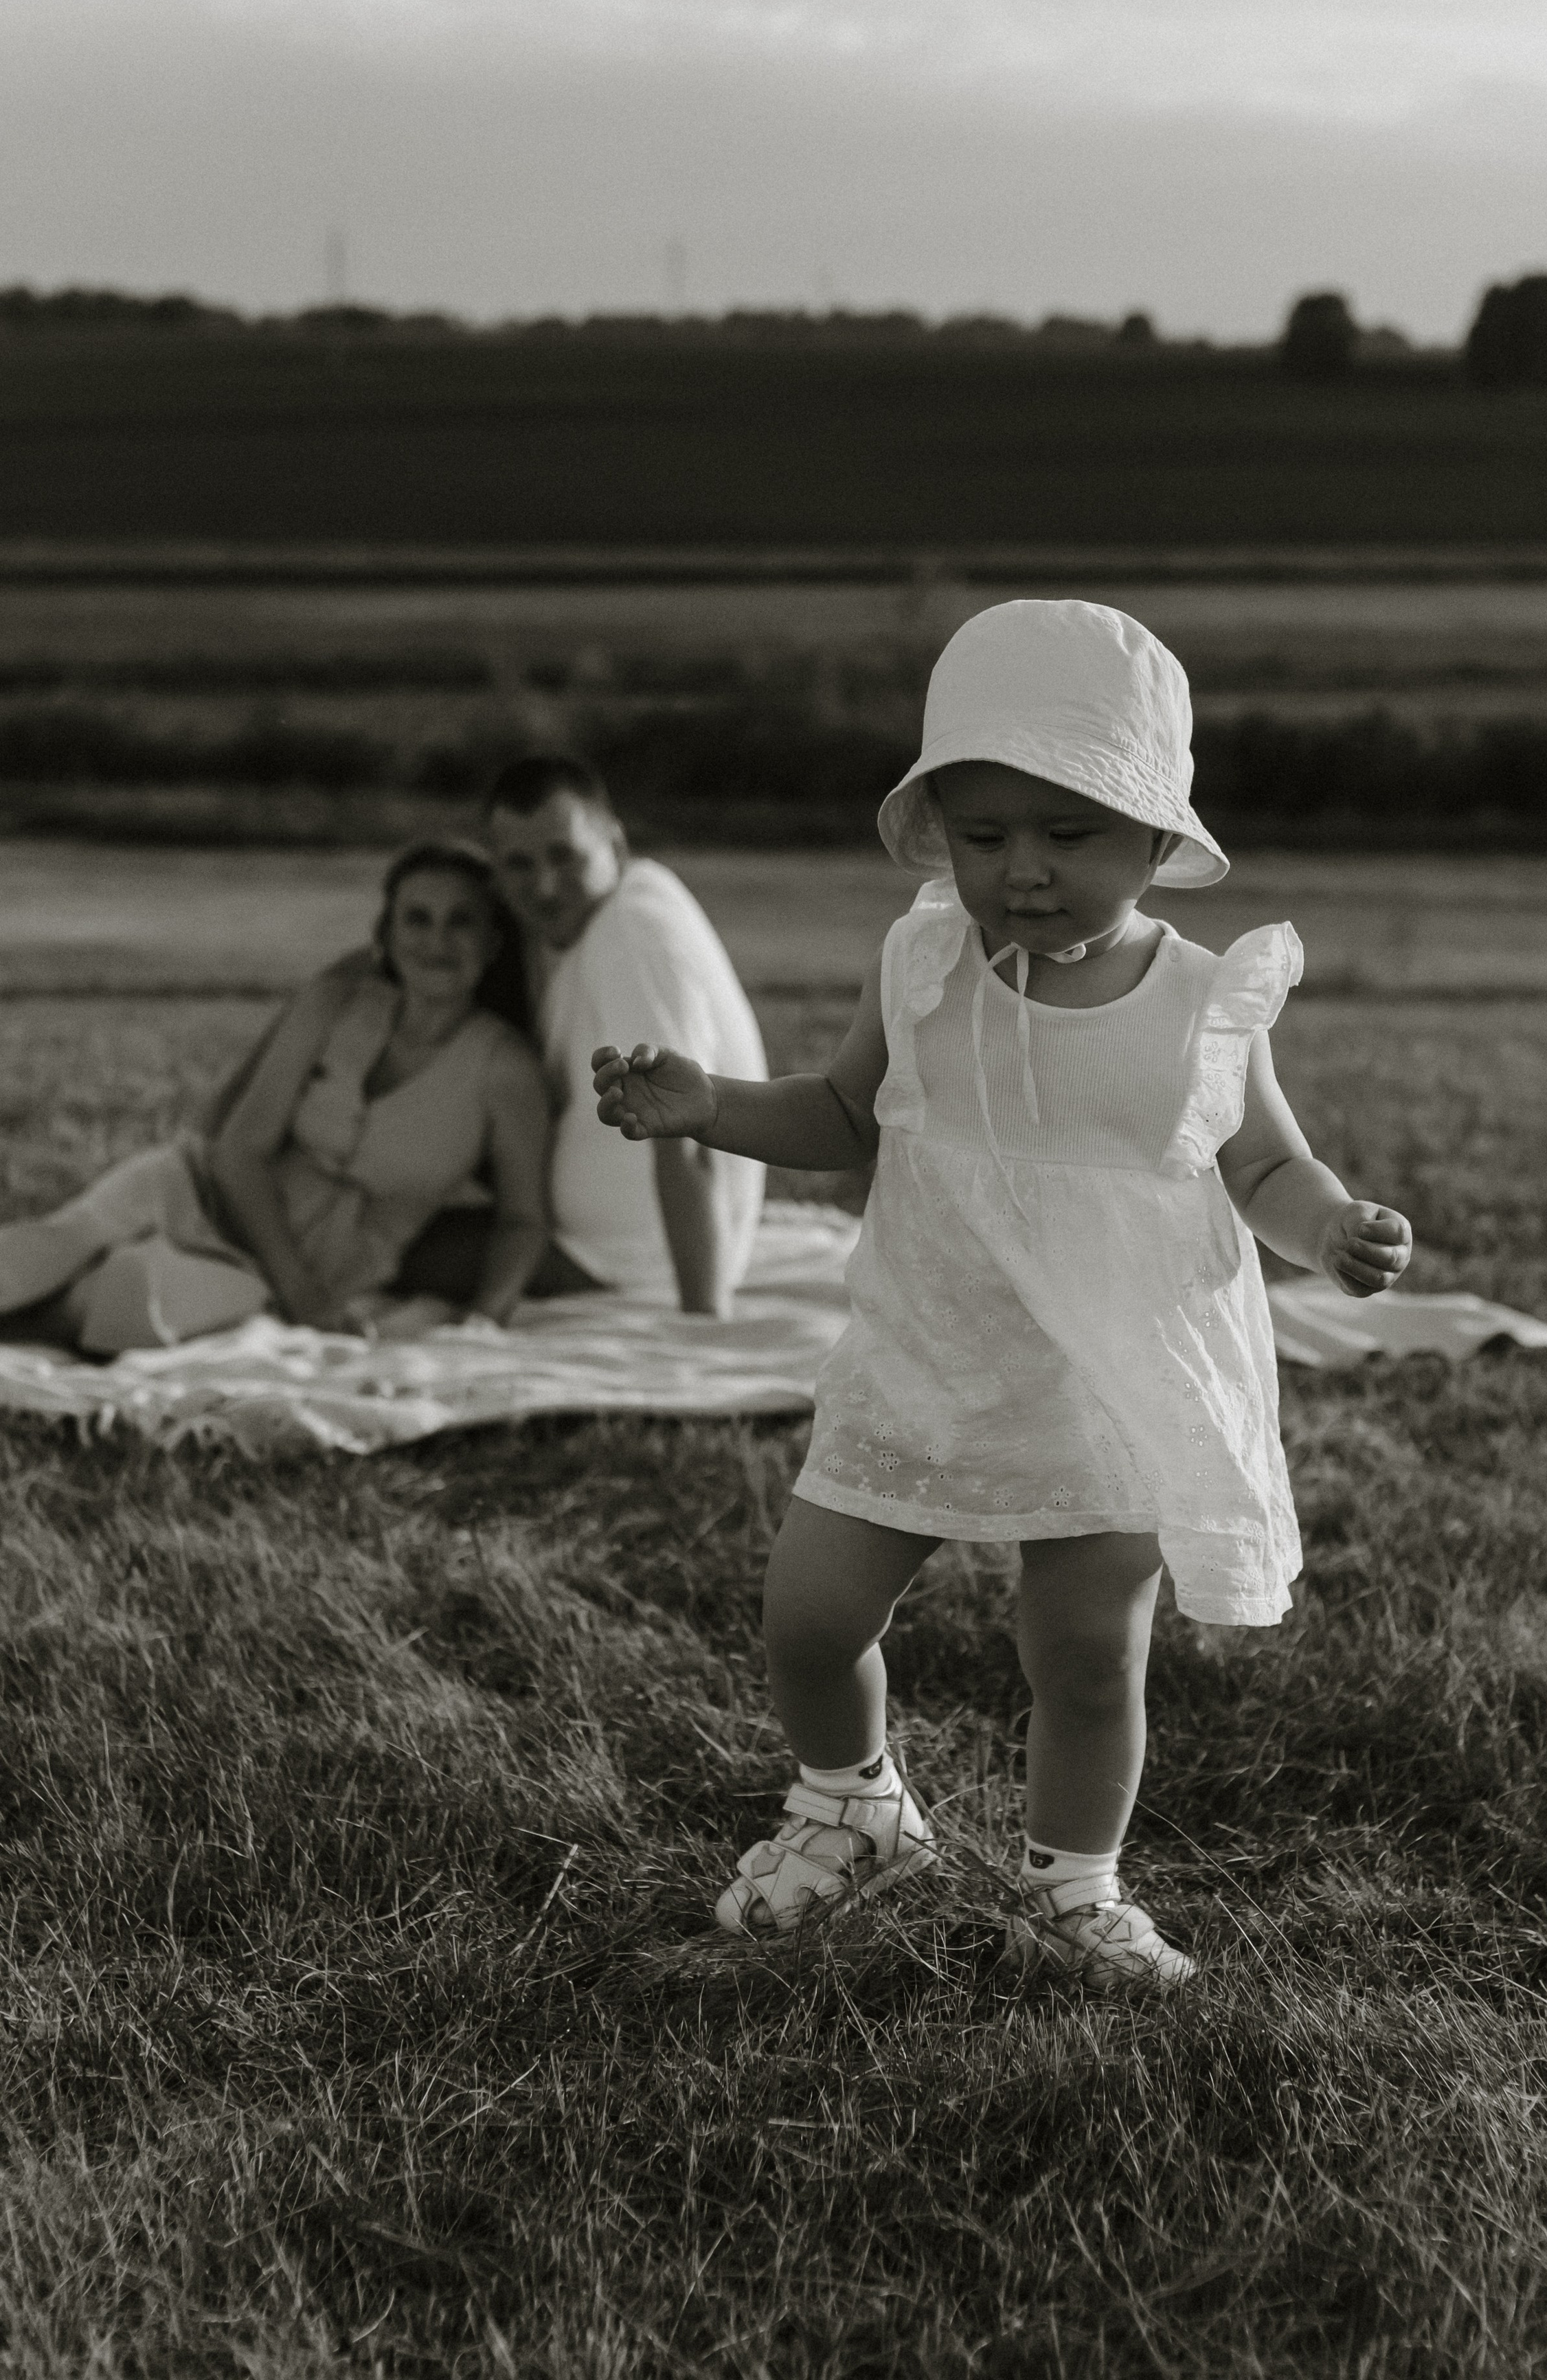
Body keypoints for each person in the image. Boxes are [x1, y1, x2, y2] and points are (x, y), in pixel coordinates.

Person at [591, 599, 1414, 1992]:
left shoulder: (1198, 1001)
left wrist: (1325, 1225)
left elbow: (1260, 1159)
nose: (1021, 871)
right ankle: (852, 1805)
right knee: (810, 1610)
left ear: (1156, 839)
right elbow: (845, 1116)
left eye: (1068, 835)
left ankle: (1071, 1889)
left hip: (1106, 1372)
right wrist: (709, 1104)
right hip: (930, 1346)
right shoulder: (921, 965)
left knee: (1084, 1653)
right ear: (938, 838)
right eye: (982, 838)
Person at [0, 842, 550, 1354]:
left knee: (131, 1305)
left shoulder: (505, 1069)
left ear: (493, 941)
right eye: (417, 918)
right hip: (194, 1191)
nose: (437, 941)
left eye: (461, 921)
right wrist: (301, 1293)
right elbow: (239, 1152)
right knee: (54, 1247)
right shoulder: (336, 1003)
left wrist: (486, 1318)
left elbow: (524, 1219)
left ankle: (56, 1315)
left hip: (270, 1275)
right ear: (387, 931)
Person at [398, 755, 767, 1317]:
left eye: (565, 856)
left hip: (630, 1261)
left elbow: (685, 1133)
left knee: (395, 1242)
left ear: (614, 846)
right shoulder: (579, 928)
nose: (544, 886)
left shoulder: (633, 930)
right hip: (614, 1245)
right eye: (519, 864)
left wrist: (703, 1321)